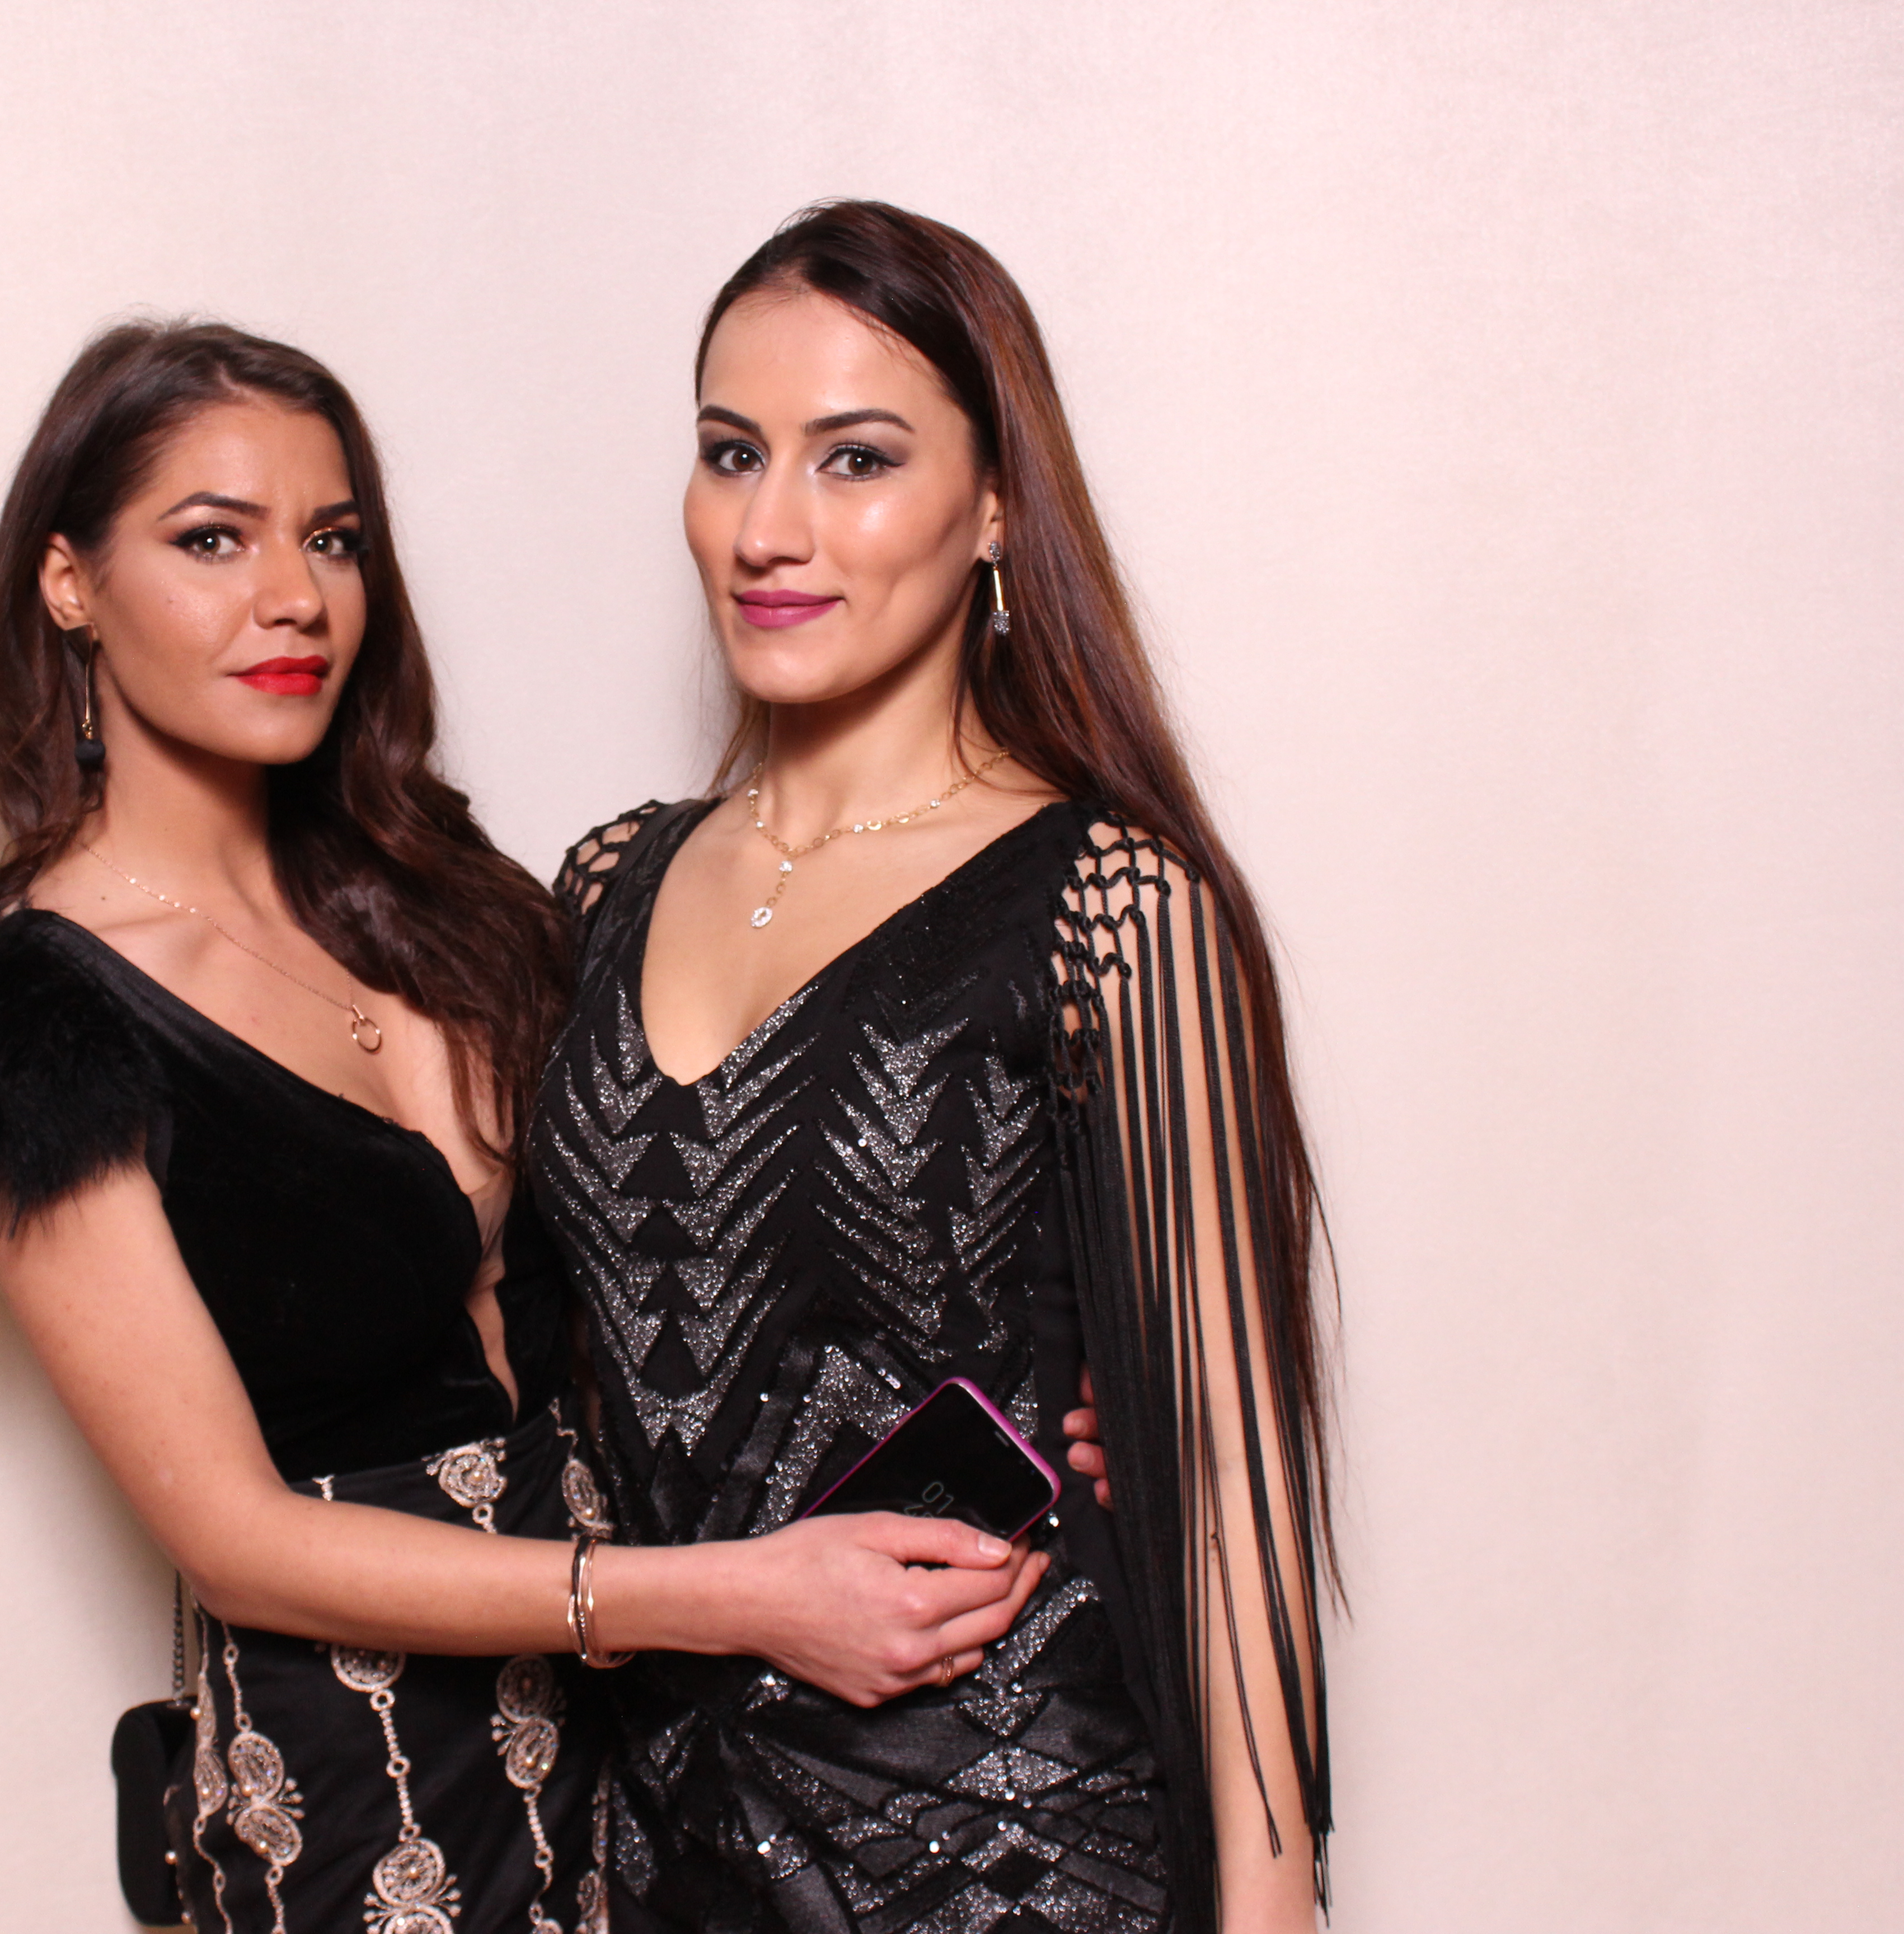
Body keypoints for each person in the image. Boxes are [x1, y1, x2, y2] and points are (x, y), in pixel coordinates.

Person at [0, 321, 1072, 1934]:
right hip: (372, 1796)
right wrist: (725, 1599)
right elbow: (236, 1542)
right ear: (69, 583)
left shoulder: (455, 903)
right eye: (211, 540)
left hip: (668, 1761)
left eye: (331, 539)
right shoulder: (29, 1033)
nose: (294, 597)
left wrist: (1057, 1377)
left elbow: (687, 1232)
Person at [528, 203, 1334, 1933]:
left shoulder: (1111, 902)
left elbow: (1227, 1486)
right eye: (731, 453)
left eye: (857, 458)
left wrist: (1275, 1914)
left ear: (993, 509)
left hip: (1012, 1856)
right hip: (664, 1853)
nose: (768, 527)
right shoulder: (602, 888)